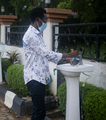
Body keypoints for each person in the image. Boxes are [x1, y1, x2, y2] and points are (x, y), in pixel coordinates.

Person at [23, 7, 79, 120]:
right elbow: (47, 54)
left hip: (37, 78)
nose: (45, 23)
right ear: (37, 20)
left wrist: (67, 59)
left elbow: (44, 56)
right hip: (35, 79)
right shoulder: (31, 35)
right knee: (40, 113)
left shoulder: (37, 34)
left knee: (37, 111)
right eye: (44, 20)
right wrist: (69, 55)